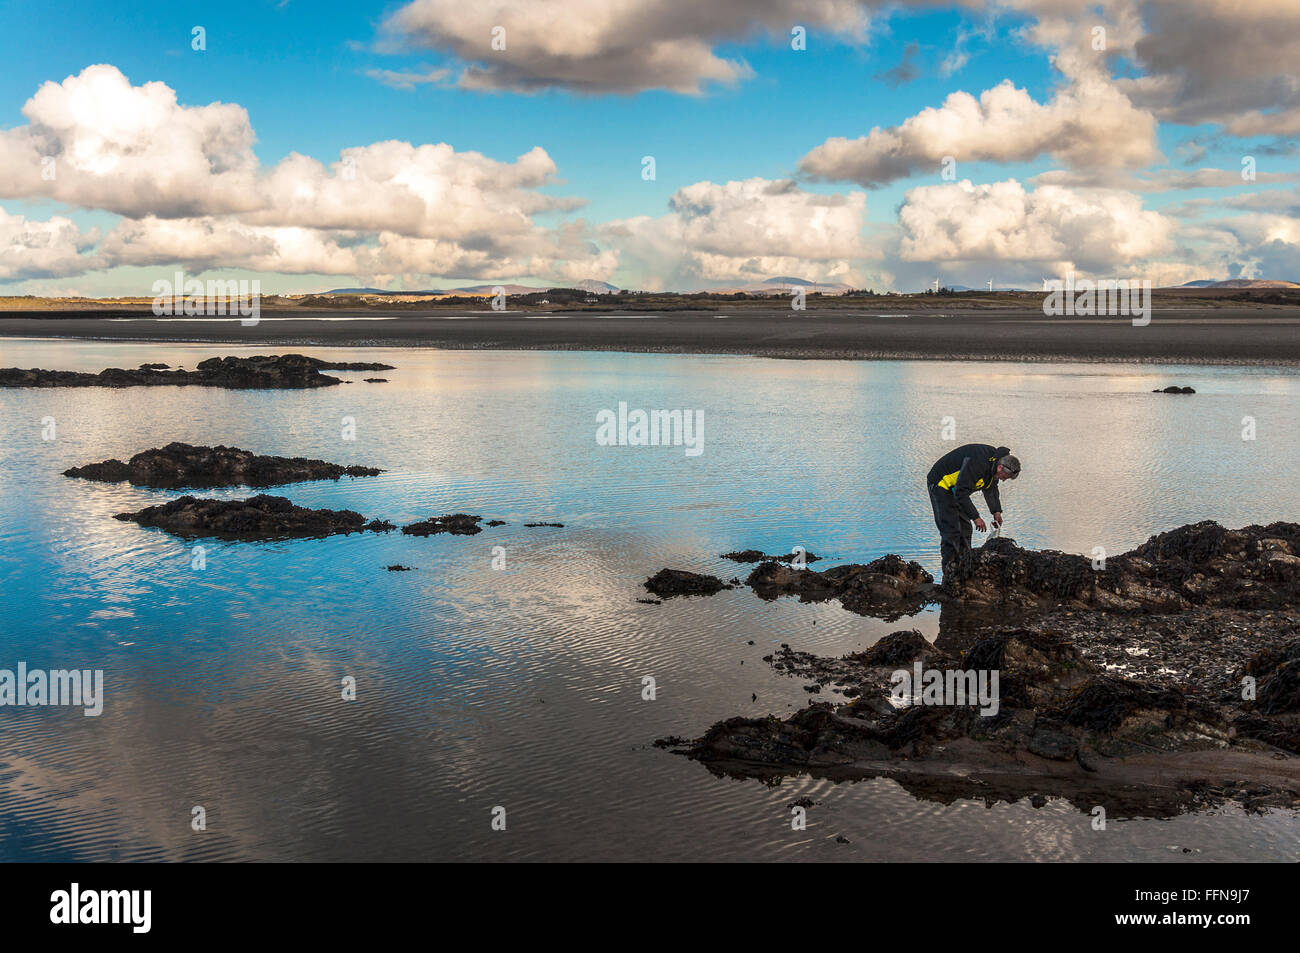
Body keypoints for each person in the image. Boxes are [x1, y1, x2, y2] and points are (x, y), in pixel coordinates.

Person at [926, 444, 1020, 578]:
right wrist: (976, 517)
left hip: (957, 490)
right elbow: (961, 492)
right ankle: (949, 574)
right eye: (1005, 476)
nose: (1004, 480)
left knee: (965, 528)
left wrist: (996, 512)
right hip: (940, 485)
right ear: (1000, 467)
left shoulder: (993, 465)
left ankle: (964, 567)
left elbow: (990, 489)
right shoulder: (978, 462)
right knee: (951, 530)